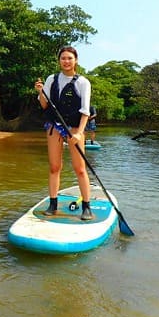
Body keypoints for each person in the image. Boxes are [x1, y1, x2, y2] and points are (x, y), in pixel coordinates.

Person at [34, 46, 94, 220]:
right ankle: (53, 205)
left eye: (69, 58)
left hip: (74, 128)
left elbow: (85, 111)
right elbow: (44, 105)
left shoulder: (83, 82)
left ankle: (87, 207)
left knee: (80, 168)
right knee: (54, 167)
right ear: (59, 60)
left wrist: (79, 134)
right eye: (63, 58)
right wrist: (41, 92)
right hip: (54, 126)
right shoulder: (51, 79)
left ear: (75, 60)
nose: (66, 61)